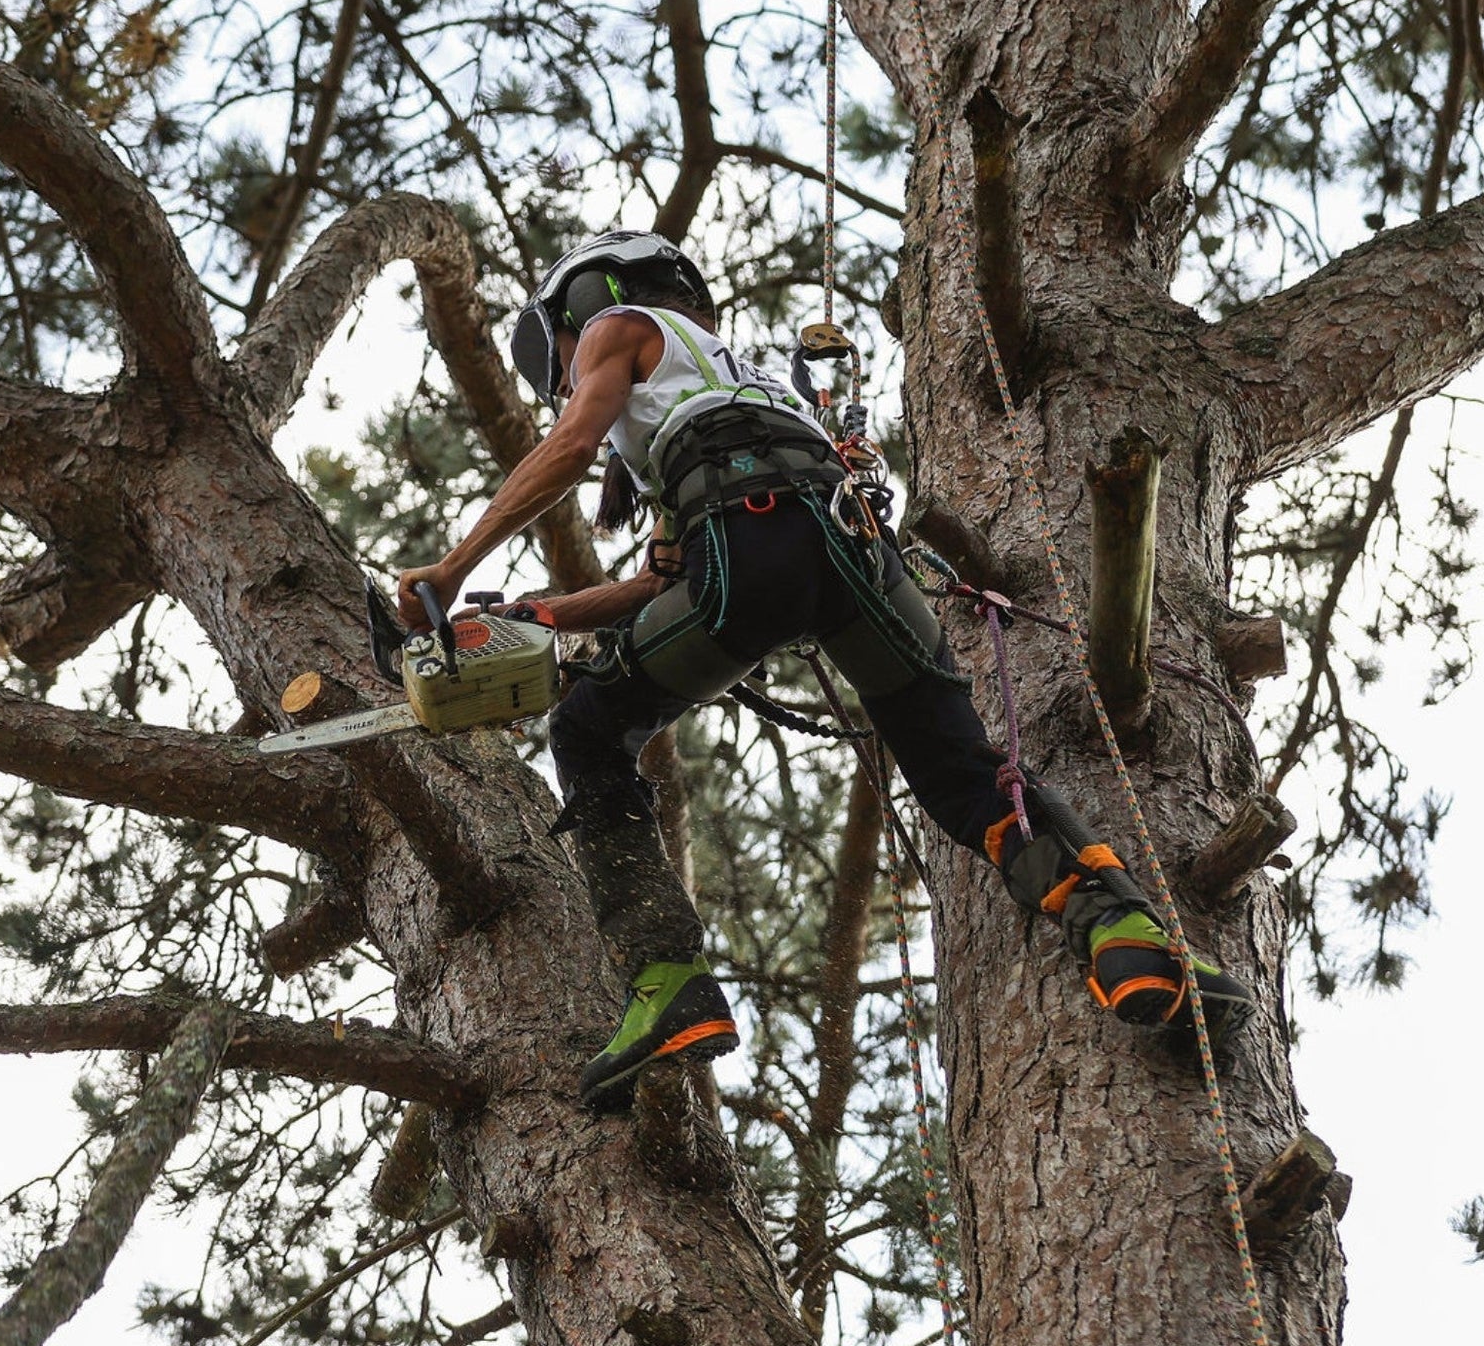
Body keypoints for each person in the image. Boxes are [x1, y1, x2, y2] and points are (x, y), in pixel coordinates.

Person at [398, 229, 1253, 1110]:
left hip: (750, 552)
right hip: (854, 561)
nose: (574, 375)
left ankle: (666, 979)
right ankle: (1123, 930)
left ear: (587, 301)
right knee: (961, 773)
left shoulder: (619, 327)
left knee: (587, 731)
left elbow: (575, 446)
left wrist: (452, 568)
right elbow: (661, 583)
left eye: (564, 358)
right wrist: (539, 615)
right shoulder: (745, 387)